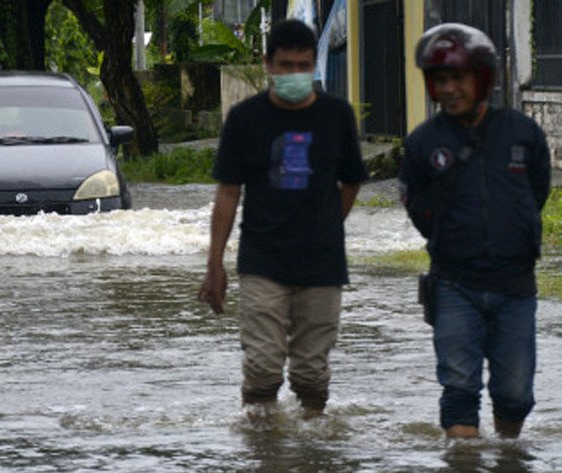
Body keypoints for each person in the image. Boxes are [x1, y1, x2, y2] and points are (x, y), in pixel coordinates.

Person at [198, 19, 367, 421]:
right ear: (268, 65)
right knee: (262, 369)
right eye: (286, 65)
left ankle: (311, 459)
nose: (295, 74)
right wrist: (214, 265)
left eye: (304, 66)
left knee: (311, 374)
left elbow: (352, 182)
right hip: (262, 261)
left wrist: (327, 225)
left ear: (314, 66)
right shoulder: (245, 119)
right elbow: (227, 193)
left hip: (322, 263)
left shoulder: (336, 115)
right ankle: (263, 458)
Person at [399, 23, 551, 439]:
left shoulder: (523, 133)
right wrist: (452, 237)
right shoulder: (422, 143)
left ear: (481, 78)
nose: (450, 89)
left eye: (458, 78)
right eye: (441, 79)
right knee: (459, 387)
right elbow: (416, 205)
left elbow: (536, 191)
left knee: (515, 394)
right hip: (453, 285)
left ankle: (507, 469)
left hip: (515, 286)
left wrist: (512, 233)